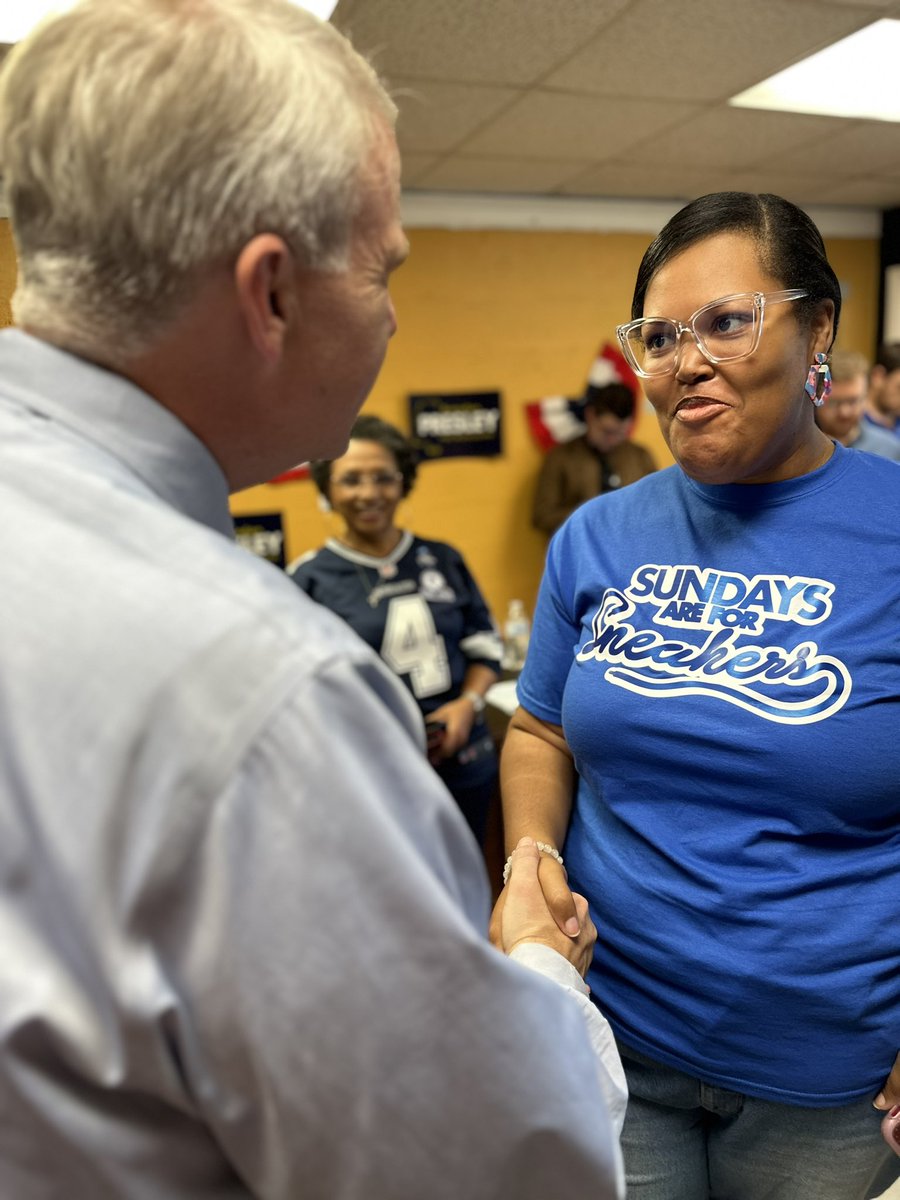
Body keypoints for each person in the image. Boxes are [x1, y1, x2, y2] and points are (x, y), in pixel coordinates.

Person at [0, 2, 630, 1196]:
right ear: (272, 295)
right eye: (385, 267)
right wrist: (539, 969)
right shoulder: (267, 697)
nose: (392, 312)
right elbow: (496, 1172)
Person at [499, 191, 900, 1199]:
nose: (687, 362)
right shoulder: (596, 535)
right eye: (661, 336)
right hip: (616, 1046)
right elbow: (541, 726)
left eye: (728, 321)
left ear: (820, 327)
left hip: (828, 1081)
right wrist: (529, 854)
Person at [289, 414, 502, 845]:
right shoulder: (309, 578)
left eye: (383, 478)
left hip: (463, 763)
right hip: (371, 775)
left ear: (403, 482)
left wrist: (468, 705)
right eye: (351, 480)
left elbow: (485, 650)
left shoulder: (443, 559)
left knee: (470, 892)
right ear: (327, 490)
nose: (369, 493)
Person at [531, 381, 657, 535]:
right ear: (590, 415)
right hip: (580, 552)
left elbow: (656, 506)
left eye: (620, 433)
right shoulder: (561, 457)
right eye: (606, 431)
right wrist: (593, 514)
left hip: (632, 550)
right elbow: (542, 516)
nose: (612, 440)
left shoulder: (639, 457)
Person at [815, 348, 900, 462]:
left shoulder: (889, 450)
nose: (844, 412)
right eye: (833, 402)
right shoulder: (797, 448)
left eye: (853, 401)